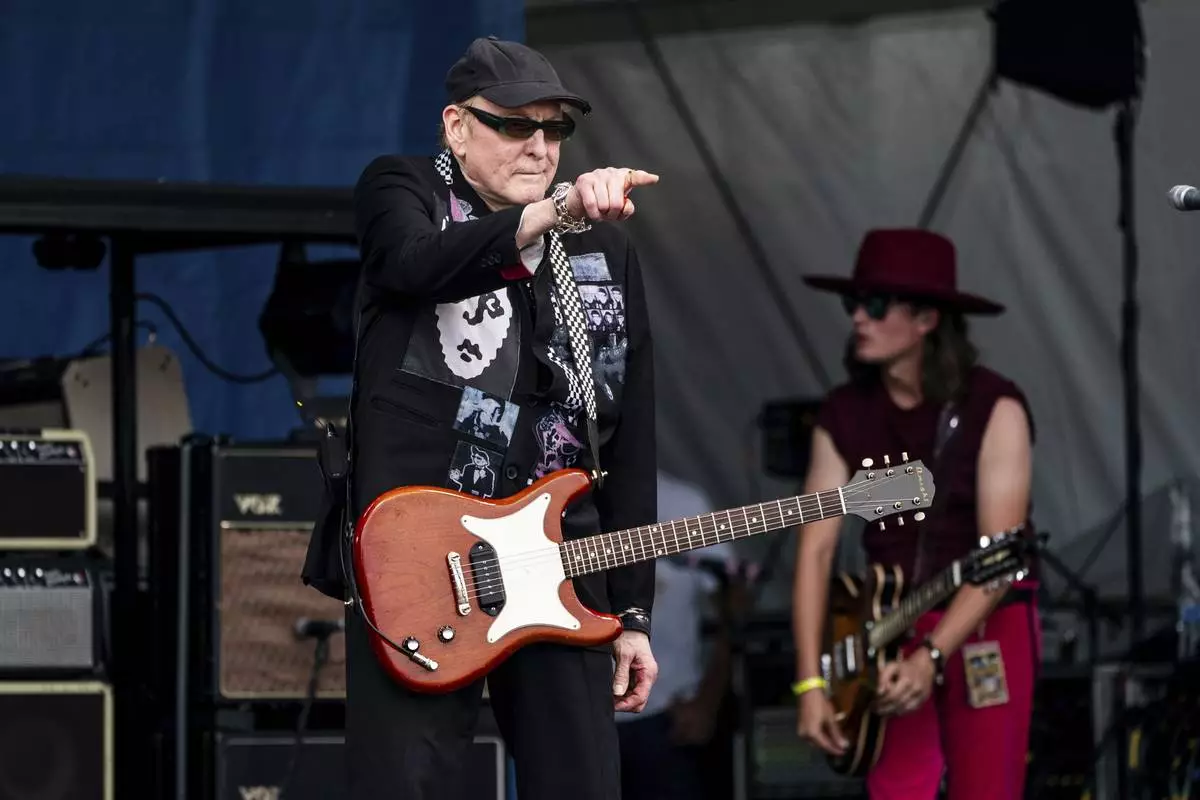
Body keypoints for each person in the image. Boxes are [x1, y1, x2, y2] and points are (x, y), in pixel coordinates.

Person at [301, 36, 661, 800]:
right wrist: (547, 213)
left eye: (554, 129)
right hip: (425, 563)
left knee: (584, 783)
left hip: (562, 564)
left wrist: (633, 612)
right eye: (513, 125)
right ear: (456, 125)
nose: (538, 147)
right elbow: (412, 264)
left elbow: (627, 436)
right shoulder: (405, 191)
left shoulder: (606, 249)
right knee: (406, 782)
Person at [790, 229, 1040, 799]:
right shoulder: (844, 413)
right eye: (854, 304)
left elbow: (999, 556)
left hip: (986, 619)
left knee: (987, 786)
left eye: (876, 306)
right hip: (890, 624)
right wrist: (810, 682)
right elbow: (816, 548)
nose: (858, 318)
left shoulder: (995, 406)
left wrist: (934, 654)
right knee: (898, 787)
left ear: (927, 320)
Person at [617, 471, 741, 800]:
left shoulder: (685, 503)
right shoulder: (562, 501)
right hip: (581, 721)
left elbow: (733, 607)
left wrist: (708, 700)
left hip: (668, 718)